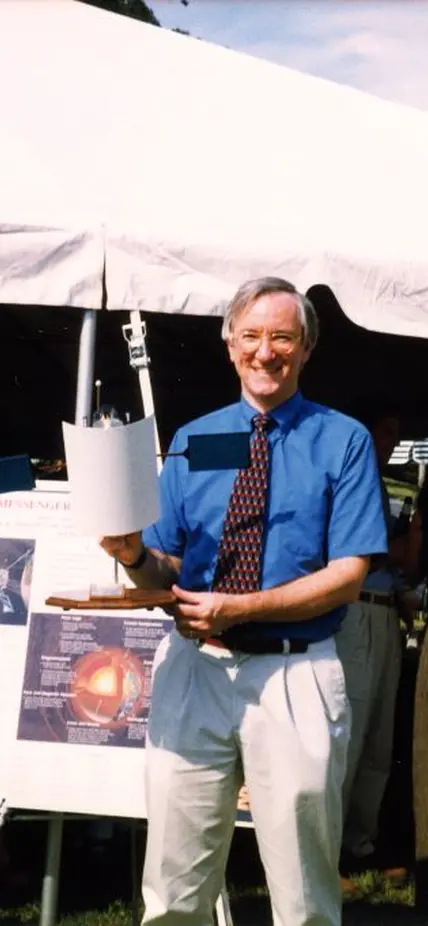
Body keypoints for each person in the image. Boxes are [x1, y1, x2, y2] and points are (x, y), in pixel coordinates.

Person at [101, 277, 387, 926]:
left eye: (282, 337)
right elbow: (163, 566)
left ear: (307, 348)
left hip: (295, 672)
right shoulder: (196, 439)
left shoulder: (343, 440)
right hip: (194, 668)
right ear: (229, 344)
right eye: (251, 336)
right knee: (173, 887)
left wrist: (243, 608)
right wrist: (130, 556)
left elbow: (348, 573)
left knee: (303, 894)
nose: (266, 352)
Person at [336, 399, 406, 872]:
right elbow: (370, 553)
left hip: (386, 613)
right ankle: (332, 848)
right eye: (385, 433)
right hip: (357, 612)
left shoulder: (381, 484)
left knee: (379, 735)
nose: (392, 444)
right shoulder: (352, 479)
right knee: (353, 730)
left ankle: (359, 844)